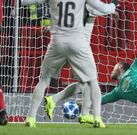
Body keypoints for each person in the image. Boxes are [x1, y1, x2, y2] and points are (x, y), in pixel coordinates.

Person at [21, 0, 116, 128]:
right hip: (78, 42)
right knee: (92, 81)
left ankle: (31, 118)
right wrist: (114, 5)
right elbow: (103, 9)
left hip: (57, 42)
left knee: (43, 80)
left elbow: (25, 2)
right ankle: (97, 118)